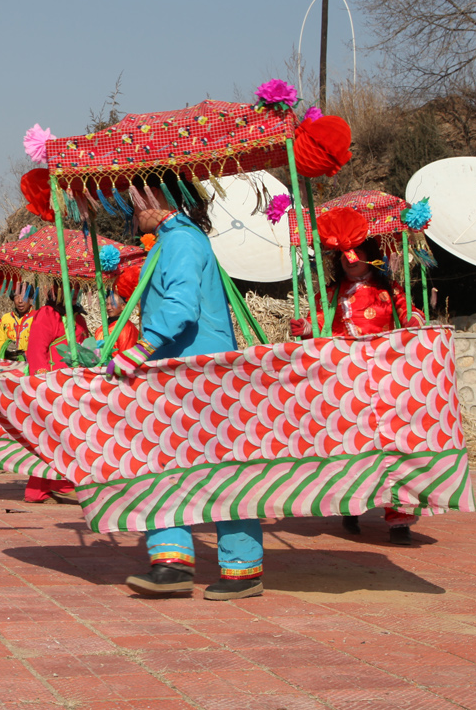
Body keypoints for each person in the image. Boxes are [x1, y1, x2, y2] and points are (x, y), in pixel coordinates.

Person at [108, 176, 263, 601]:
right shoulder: (171, 240)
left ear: (157, 197)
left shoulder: (181, 241)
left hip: (201, 374)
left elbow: (181, 306)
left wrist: (142, 347)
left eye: (136, 199)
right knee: (163, 464)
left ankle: (240, 568)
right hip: (178, 375)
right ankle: (172, 563)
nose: (132, 210)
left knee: (216, 470)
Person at [292, 226, 423, 546]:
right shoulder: (330, 294)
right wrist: (306, 327)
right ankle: (351, 505)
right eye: (343, 253)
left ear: (370, 256)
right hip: (344, 380)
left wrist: (414, 322)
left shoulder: (390, 290)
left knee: (394, 446)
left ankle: (399, 518)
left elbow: (411, 315)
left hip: (387, 379)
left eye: (356, 251)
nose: (349, 258)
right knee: (350, 445)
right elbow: (318, 324)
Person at [23, 286, 89, 504]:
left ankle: (41, 489)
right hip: (53, 386)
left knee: (64, 437)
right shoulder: (47, 314)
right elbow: (36, 350)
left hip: (74, 386)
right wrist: (43, 385)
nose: (75, 293)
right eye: (70, 289)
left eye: (77, 289)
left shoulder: (79, 318)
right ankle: (57, 486)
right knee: (53, 437)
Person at [0, 288, 35, 360]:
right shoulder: (5, 319)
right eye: (17, 297)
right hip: (9, 363)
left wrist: (25, 354)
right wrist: (6, 347)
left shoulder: (38, 318)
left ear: (30, 298)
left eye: (24, 296)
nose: (20, 301)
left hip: (31, 363)